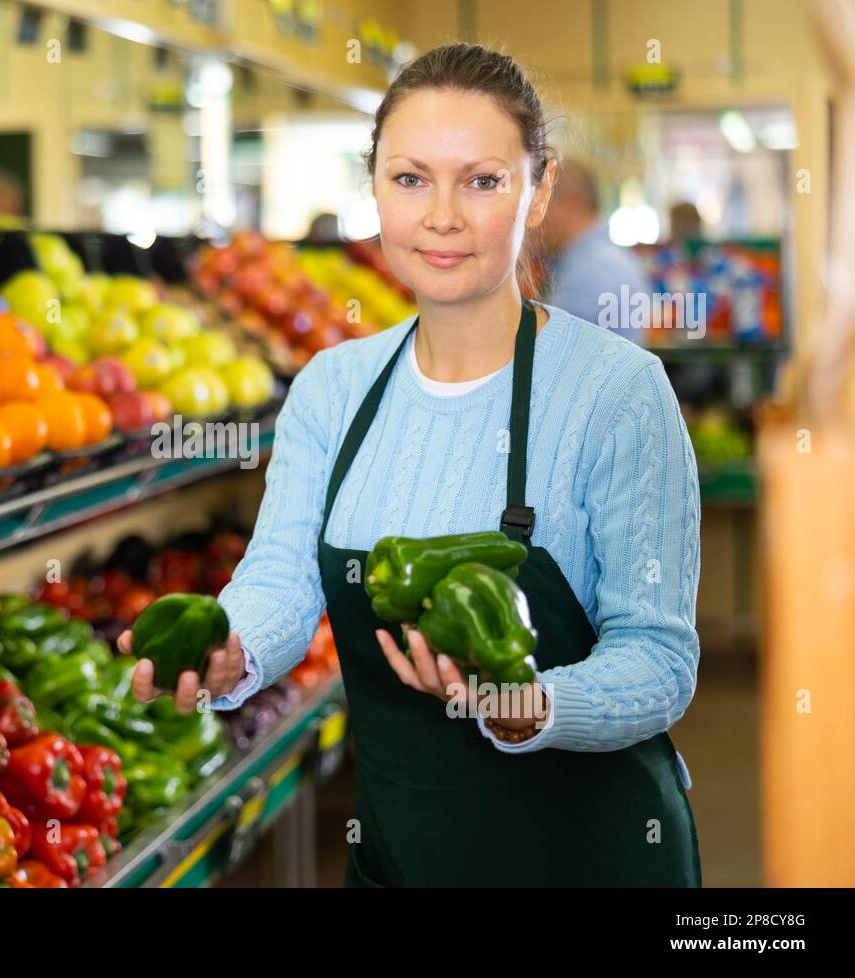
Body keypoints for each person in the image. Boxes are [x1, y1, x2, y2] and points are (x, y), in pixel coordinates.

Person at [119, 41, 702, 888]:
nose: (443, 216)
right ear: (375, 191)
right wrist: (232, 652)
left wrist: (527, 705)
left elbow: (658, 658)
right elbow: (281, 581)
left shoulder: (617, 392)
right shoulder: (333, 389)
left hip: (592, 855)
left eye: (483, 180)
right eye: (410, 178)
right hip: (404, 857)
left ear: (538, 190)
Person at [539, 159, 653, 344]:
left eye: (539, 202)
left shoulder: (589, 271)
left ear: (569, 204)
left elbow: (546, 351)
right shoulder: (607, 260)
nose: (533, 219)